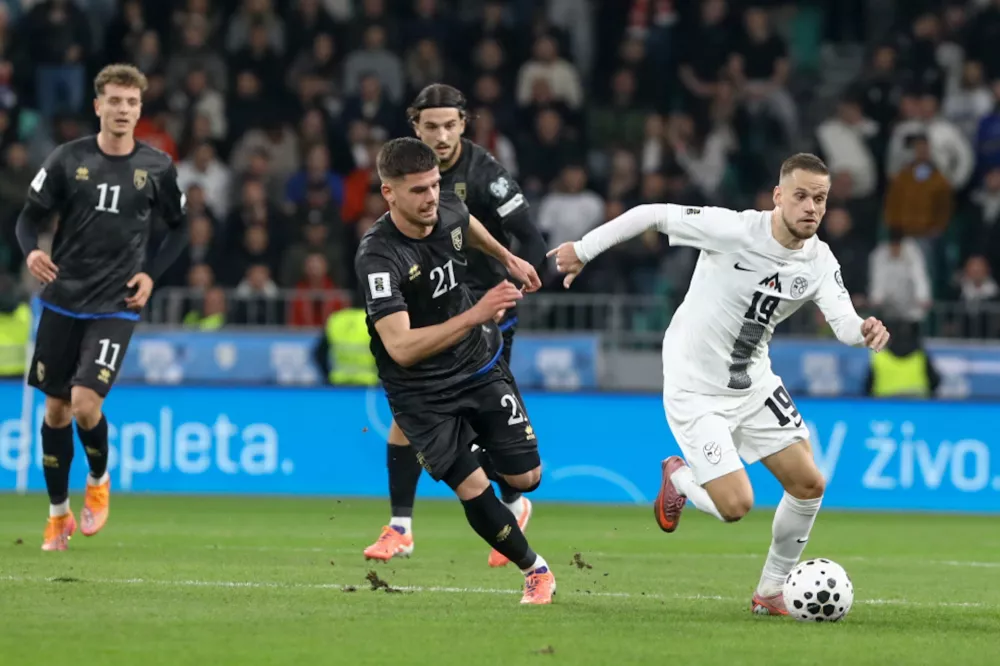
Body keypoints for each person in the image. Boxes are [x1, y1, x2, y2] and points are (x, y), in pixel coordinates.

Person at [548, 153, 890, 615]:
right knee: (736, 506)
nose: (812, 207)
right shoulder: (733, 230)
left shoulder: (819, 260)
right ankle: (679, 477)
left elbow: (844, 322)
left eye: (821, 199)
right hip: (694, 385)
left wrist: (863, 330)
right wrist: (583, 249)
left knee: (809, 484)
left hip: (752, 382)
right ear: (778, 196)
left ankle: (770, 592)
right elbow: (650, 214)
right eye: (802, 196)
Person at [355, 137, 555, 604]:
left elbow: (466, 220)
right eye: (418, 191)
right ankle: (536, 570)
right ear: (389, 193)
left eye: (435, 186)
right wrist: (478, 311)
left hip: (477, 364)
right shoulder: (379, 256)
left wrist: (507, 258)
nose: (431, 198)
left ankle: (484, 462)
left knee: (527, 478)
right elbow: (401, 347)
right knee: (470, 487)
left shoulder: (443, 204)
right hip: (419, 390)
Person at [15, 64, 188, 551]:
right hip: (63, 299)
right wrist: (32, 251)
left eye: (131, 102)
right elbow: (28, 220)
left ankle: (98, 477)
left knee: (85, 403)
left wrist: (151, 273)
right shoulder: (68, 159)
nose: (122, 110)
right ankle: (57, 516)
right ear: (98, 106)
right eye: (114, 100)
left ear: (139, 109)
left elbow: (179, 229)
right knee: (54, 411)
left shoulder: (156, 167)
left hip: (117, 303)